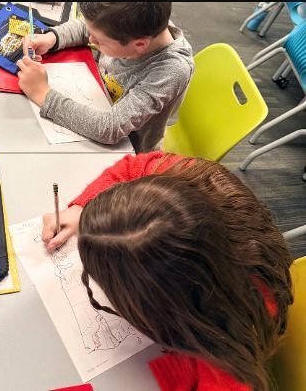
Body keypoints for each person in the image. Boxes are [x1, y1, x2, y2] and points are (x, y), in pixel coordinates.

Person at [43, 152, 292, 391]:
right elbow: (134, 166)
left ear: (160, 305)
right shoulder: (191, 179)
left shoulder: (228, 340)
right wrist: (82, 210)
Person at [17, 2, 193, 152]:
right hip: (94, 103)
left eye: (100, 42)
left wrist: (43, 94)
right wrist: (53, 38)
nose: (91, 40)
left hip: (127, 149)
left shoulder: (170, 71)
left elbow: (110, 128)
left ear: (140, 44)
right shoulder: (134, 25)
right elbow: (91, 29)